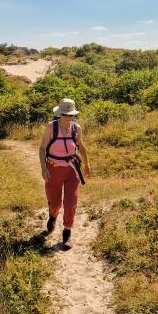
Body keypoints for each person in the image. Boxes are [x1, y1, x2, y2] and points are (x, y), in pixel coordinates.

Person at [38, 98, 91, 247]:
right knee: (55, 201)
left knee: (71, 201)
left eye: (71, 114)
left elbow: (81, 146)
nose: (68, 117)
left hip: (72, 169)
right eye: (65, 114)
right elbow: (42, 149)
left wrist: (87, 164)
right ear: (59, 114)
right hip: (53, 169)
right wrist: (43, 167)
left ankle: (67, 232)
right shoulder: (51, 128)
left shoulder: (76, 128)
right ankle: (53, 217)